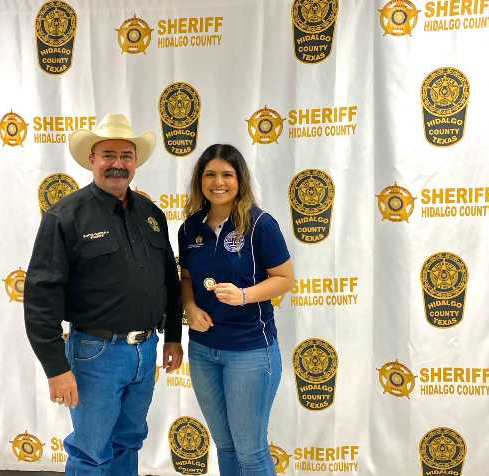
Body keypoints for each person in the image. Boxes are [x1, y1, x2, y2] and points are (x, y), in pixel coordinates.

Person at [24, 113, 183, 476]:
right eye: (108, 155)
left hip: (146, 351)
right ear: (92, 160)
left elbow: (169, 282)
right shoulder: (66, 216)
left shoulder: (151, 214)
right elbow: (40, 296)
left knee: (128, 441)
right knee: (91, 452)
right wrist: (56, 368)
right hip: (95, 355)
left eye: (126, 156)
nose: (117, 164)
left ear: (135, 162)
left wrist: (173, 336)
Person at [177, 144, 294, 476]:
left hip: (250, 352)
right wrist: (189, 306)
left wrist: (244, 295)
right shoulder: (190, 228)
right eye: (210, 174)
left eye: (227, 174)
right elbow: (186, 278)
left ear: (239, 180)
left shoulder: (259, 224)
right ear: (200, 180)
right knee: (225, 446)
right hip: (202, 352)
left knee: (251, 451)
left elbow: (285, 279)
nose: (218, 182)